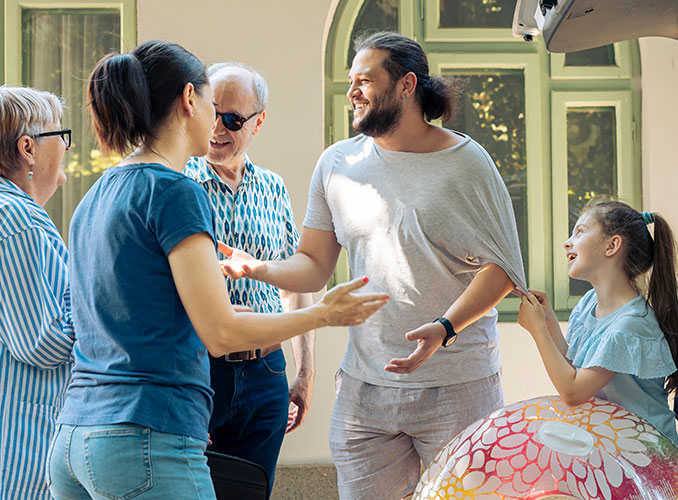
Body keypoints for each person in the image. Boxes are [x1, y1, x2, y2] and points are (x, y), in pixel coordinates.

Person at [46, 40, 387, 500]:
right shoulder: (175, 191)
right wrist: (324, 314)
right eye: (212, 101)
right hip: (147, 438)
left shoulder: (96, 195)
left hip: (74, 440)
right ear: (190, 100)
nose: (216, 119)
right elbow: (220, 333)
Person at [219, 31, 527, 499]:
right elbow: (314, 265)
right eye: (350, 81)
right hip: (365, 389)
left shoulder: (467, 164)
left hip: (457, 383)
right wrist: (258, 268)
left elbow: (504, 269)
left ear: (406, 85)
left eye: (365, 80)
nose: (352, 92)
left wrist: (445, 327)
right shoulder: (337, 164)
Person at [183, 62, 315, 490]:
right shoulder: (179, 182)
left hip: (266, 374)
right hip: (201, 370)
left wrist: (304, 373)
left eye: (233, 119)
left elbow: (294, 285)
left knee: (254, 489)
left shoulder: (273, 188)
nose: (218, 128)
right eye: (213, 111)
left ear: (259, 121)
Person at [518, 200, 678, 445]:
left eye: (580, 232)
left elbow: (573, 392)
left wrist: (537, 331)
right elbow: (574, 369)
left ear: (612, 245)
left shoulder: (631, 324)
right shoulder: (589, 303)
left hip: (647, 457)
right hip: (614, 448)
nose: (567, 242)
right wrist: (547, 320)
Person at [0, 85, 73, 500]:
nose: (65, 147)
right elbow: (40, 343)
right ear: (28, 147)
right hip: (19, 449)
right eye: (59, 136)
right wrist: (101, 304)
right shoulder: (18, 221)